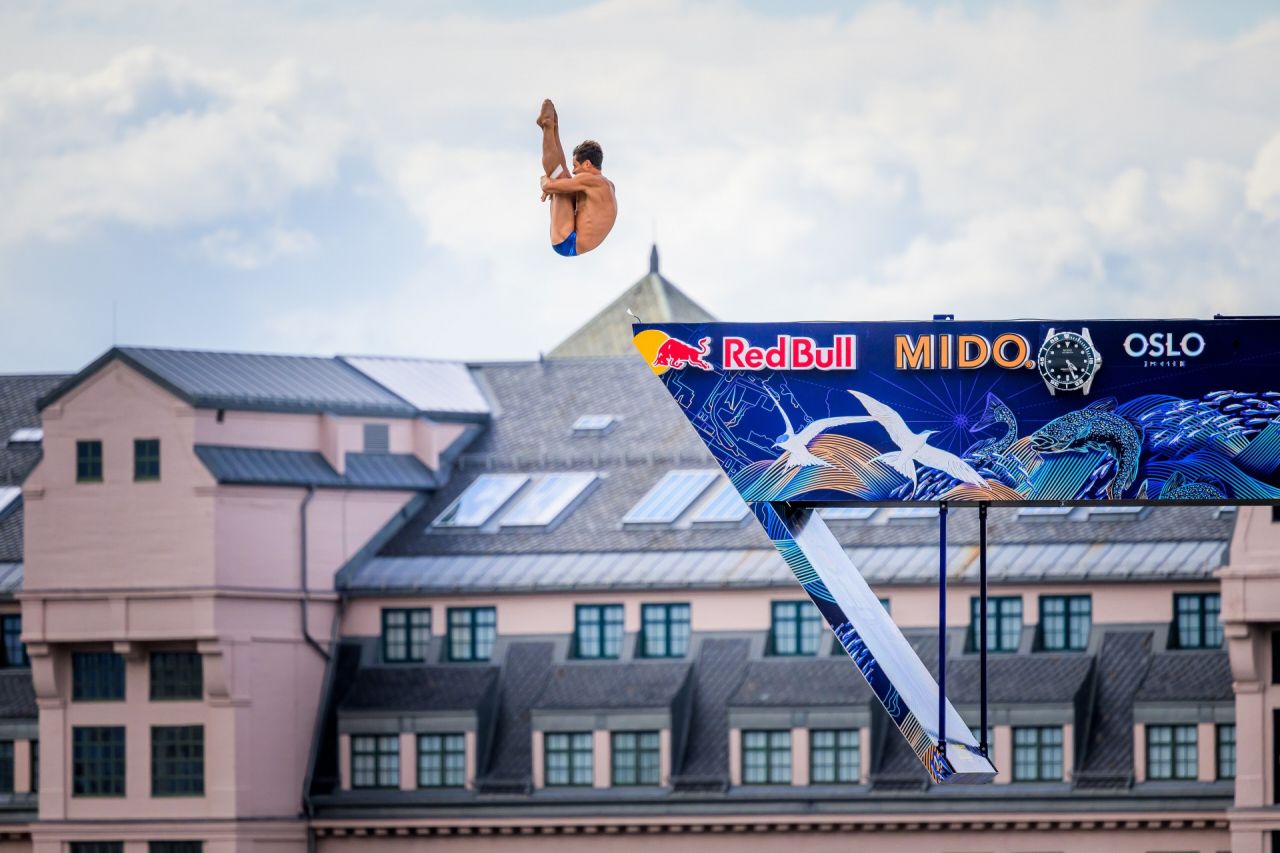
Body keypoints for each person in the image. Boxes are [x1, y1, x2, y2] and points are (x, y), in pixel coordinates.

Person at [537, 99, 617, 256]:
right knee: (561, 176)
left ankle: (548, 127)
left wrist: (545, 179)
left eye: (576, 166)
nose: (574, 172)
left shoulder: (590, 181)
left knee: (558, 176)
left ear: (587, 164)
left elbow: (546, 186)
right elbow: (560, 178)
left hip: (568, 242)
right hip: (573, 236)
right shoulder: (605, 185)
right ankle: (552, 127)